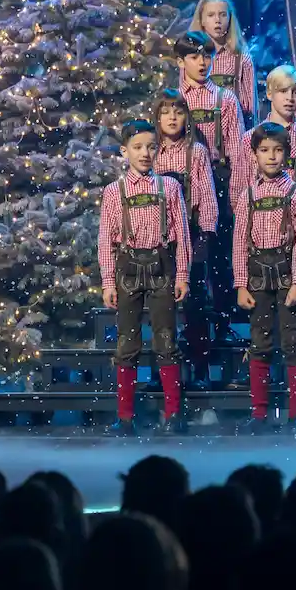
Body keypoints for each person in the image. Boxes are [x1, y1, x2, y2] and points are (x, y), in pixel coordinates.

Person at [97, 120, 191, 436]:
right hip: (128, 269)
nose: (145, 153)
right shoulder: (114, 192)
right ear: (125, 151)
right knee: (127, 342)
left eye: (151, 146)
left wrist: (184, 275)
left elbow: (183, 236)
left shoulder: (170, 188)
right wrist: (108, 282)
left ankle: (174, 413)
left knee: (166, 339)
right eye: (137, 147)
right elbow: (105, 240)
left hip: (162, 267)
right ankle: (125, 417)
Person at [232, 123, 296, 433]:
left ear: (287, 155)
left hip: (287, 272)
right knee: (259, 342)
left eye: (278, 150)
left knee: (293, 342)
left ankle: (295, 414)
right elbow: (239, 242)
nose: (271, 156)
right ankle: (259, 413)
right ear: (254, 155)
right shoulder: (247, 195)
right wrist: (240, 283)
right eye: (265, 150)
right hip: (256, 274)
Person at [175, 30, 247, 348]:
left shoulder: (226, 100)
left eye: (206, 56)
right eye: (194, 57)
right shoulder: (174, 101)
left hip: (218, 180)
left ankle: (223, 322)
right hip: (180, 184)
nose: (201, 62)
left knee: (220, 257)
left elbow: (238, 153)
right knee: (187, 259)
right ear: (181, 61)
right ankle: (191, 326)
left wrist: (235, 195)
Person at [152, 89, 217, 391]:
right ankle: (160, 373)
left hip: (191, 235)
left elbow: (206, 195)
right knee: (161, 308)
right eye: (166, 112)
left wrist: (206, 231)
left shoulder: (197, 152)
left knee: (195, 305)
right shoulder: (149, 153)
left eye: (178, 112)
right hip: (157, 242)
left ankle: (200, 369)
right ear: (157, 118)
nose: (173, 118)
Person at [235, 65, 296, 215]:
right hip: (260, 218)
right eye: (283, 91)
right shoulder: (249, 138)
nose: (290, 98)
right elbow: (240, 185)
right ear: (270, 93)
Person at [190, 0, 257, 123]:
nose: (217, 20)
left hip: (235, 128)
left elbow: (251, 106)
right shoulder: (190, 56)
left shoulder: (242, 56)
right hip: (200, 132)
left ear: (230, 19)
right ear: (202, 20)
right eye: (211, 15)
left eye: (223, 15)